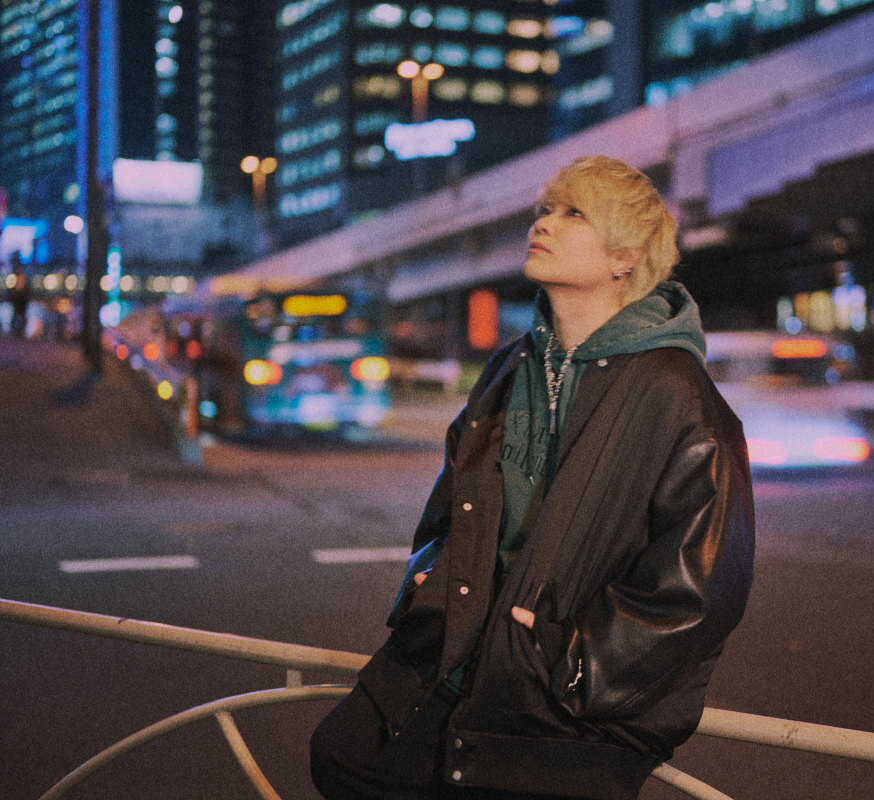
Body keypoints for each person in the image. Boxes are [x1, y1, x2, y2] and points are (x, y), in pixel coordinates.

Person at [310, 155, 755, 800]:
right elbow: (447, 512)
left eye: (573, 213)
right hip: (456, 665)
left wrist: (575, 669)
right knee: (341, 756)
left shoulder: (674, 392)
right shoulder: (510, 368)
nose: (542, 223)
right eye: (545, 209)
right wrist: (426, 591)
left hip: (561, 708)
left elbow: (702, 588)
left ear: (624, 257)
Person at [7, 262, 30, 339]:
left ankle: (21, 332)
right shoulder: (13, 282)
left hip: (23, 303)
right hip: (16, 303)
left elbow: (27, 293)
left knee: (22, 317)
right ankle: (14, 331)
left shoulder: (24, 283)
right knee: (14, 317)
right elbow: (10, 293)